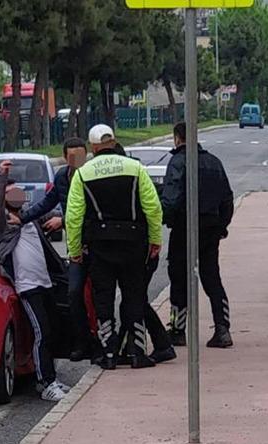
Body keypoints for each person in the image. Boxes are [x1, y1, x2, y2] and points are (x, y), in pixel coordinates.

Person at [65, 124, 163, 370]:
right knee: (134, 296)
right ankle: (138, 352)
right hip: (134, 243)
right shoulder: (136, 168)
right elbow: (152, 208)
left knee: (103, 299)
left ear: (93, 147)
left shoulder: (83, 173)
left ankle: (108, 352)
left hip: (100, 246)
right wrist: (155, 240)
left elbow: (74, 217)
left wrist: (74, 250)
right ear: (114, 141)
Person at [0, 159, 70, 401]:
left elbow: (53, 209)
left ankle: (48, 379)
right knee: (41, 332)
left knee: (50, 332)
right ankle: (46, 383)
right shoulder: (3, 225)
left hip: (44, 284)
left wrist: (61, 220)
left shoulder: (28, 218)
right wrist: (1, 177)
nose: (18, 194)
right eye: (11, 191)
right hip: (27, 287)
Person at [15, 137, 91, 361]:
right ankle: (81, 343)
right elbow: (46, 203)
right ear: (65, 157)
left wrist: (64, 220)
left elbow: (93, 211)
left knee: (101, 297)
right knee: (73, 293)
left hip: (97, 244)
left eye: (80, 155)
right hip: (76, 248)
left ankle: (108, 343)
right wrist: (22, 218)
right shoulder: (61, 177)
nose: (76, 160)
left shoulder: (92, 175)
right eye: (71, 156)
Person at [161, 122, 234, 349]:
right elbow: (227, 199)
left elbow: (171, 199)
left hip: (184, 228)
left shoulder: (178, 162)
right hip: (210, 229)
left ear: (177, 138)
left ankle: (178, 329)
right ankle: (222, 329)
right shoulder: (214, 162)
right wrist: (221, 226)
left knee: (179, 278)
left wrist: (165, 218)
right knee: (212, 277)